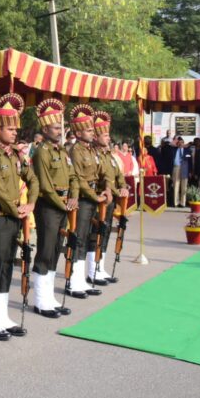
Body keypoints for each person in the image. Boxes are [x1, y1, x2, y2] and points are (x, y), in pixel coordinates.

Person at [0, 93, 38, 340]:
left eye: (16, 129)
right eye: (10, 129)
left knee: (6, 266)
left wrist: (31, 204)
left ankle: (2, 316)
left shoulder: (16, 155)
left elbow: (32, 179)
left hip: (15, 216)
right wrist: (19, 211)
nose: (15, 133)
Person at [31, 99, 78, 318]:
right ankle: (41, 301)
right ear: (45, 128)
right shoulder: (42, 152)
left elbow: (73, 177)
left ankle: (49, 297)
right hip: (49, 206)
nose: (60, 131)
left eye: (61, 127)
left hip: (63, 206)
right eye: (56, 128)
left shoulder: (61, 152)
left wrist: (74, 197)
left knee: (56, 250)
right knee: (45, 251)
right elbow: (46, 186)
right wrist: (63, 205)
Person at [68, 104, 106, 299]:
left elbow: (100, 172)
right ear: (79, 132)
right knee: (79, 239)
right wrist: (94, 195)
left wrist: (106, 188)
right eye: (89, 130)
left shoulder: (90, 150)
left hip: (92, 197)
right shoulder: (76, 151)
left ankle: (81, 280)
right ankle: (73, 281)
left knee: (88, 237)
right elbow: (78, 178)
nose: (93, 133)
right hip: (83, 199)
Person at [88, 112, 129, 285]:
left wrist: (124, 187)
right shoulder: (94, 155)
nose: (108, 138)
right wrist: (116, 191)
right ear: (96, 137)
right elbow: (103, 179)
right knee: (94, 235)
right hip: (100, 199)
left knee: (104, 234)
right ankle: (92, 270)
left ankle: (100, 267)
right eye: (105, 135)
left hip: (111, 200)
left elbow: (118, 176)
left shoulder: (109, 156)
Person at [171, 137, 190, 207]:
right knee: (176, 185)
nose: (180, 144)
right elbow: (170, 144)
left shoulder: (187, 150)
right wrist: (175, 142)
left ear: (183, 143)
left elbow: (190, 161)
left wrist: (190, 171)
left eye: (182, 142)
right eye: (179, 142)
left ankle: (183, 203)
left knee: (184, 186)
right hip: (176, 168)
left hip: (184, 168)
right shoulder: (173, 149)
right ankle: (176, 202)